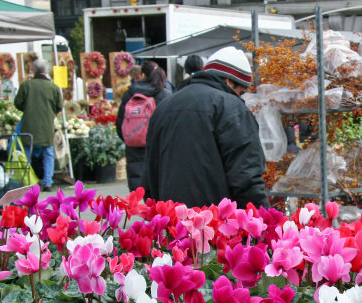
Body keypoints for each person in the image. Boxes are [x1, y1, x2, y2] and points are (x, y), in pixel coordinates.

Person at [141, 46, 269, 208]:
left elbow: (148, 175)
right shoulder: (232, 108)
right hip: (214, 226)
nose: (241, 98)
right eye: (241, 92)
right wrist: (263, 222)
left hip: (170, 223)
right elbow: (246, 179)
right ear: (228, 81)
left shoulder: (165, 106)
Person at [115, 60, 171, 191]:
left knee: (138, 195)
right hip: (159, 147)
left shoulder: (130, 93)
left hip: (134, 147)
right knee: (158, 194)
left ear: (142, 75)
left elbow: (120, 123)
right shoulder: (164, 94)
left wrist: (132, 137)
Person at [14, 59, 63, 191]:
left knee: (27, 154)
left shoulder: (26, 85)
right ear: (46, 71)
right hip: (47, 125)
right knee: (48, 153)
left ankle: (27, 182)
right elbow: (59, 106)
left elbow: (17, 102)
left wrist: (28, 109)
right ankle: (47, 183)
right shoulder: (53, 87)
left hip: (29, 124)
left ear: (34, 70)